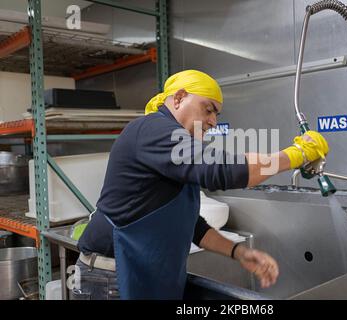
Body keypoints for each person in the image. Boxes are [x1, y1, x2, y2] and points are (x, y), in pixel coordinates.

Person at [73, 70, 329, 300]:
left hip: (140, 275)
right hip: (109, 279)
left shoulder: (174, 145)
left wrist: (238, 252)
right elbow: (224, 171)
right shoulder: (152, 129)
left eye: (217, 113)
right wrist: (297, 155)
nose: (213, 122)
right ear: (179, 98)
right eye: (208, 109)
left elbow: (190, 225)